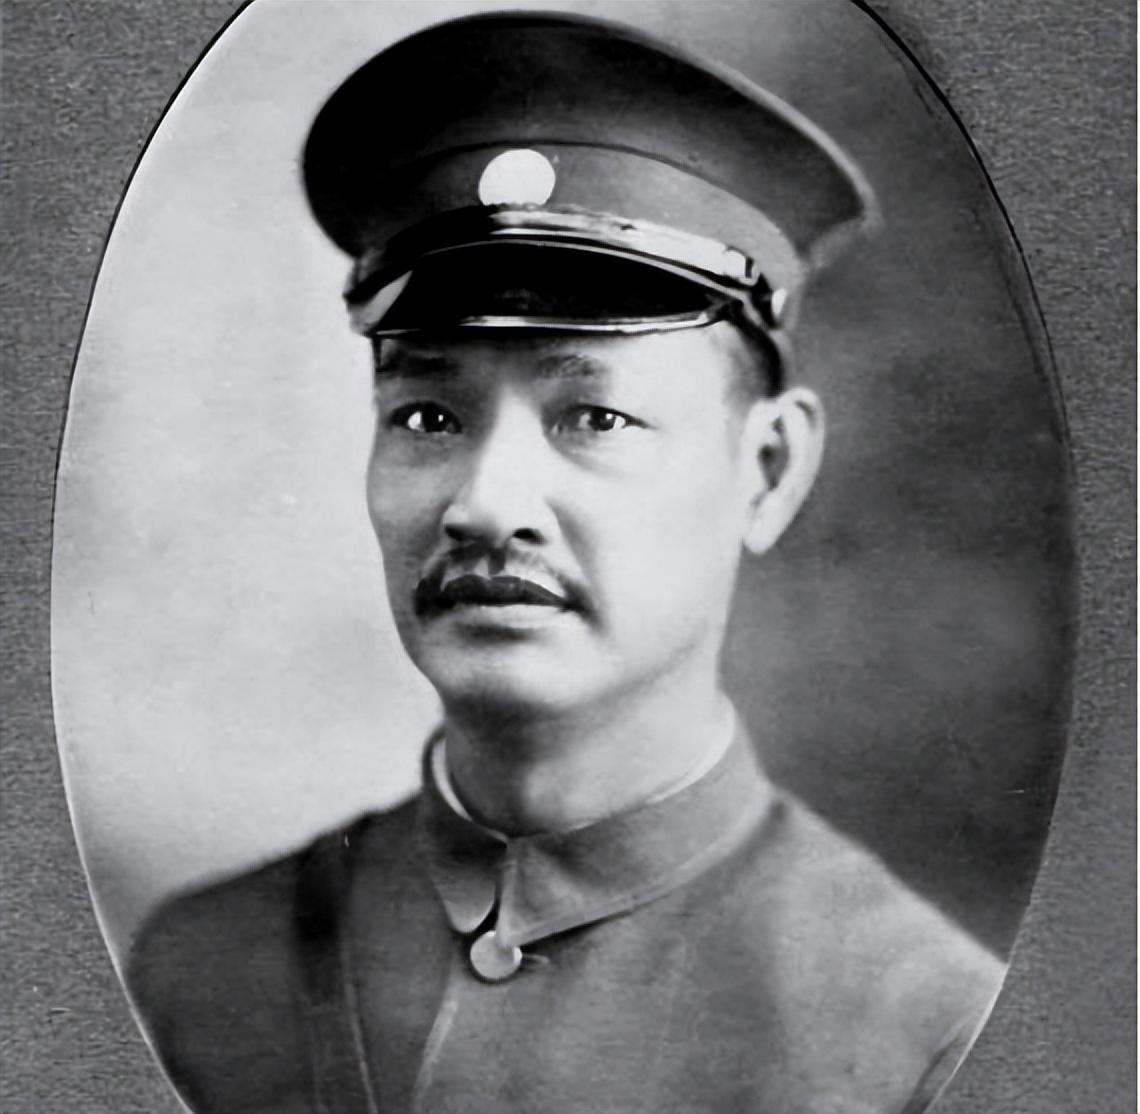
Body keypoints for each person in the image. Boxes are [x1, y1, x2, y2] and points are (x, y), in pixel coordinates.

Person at [126, 12, 1005, 1114]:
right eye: (428, 416)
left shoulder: (924, 1038)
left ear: (769, 468)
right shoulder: (202, 976)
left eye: (594, 416)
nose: (484, 503)